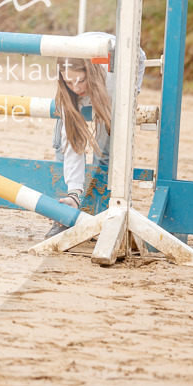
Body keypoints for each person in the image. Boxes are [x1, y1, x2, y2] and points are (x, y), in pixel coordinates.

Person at [45, 32, 146, 237]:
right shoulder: (69, 91)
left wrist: (132, 91)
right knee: (62, 146)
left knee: (105, 153)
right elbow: (73, 144)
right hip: (79, 47)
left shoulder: (113, 80)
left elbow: (140, 55)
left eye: (81, 81)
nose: (76, 88)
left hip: (110, 72)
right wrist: (74, 191)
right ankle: (67, 208)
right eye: (69, 82)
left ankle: (102, 212)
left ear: (89, 72)